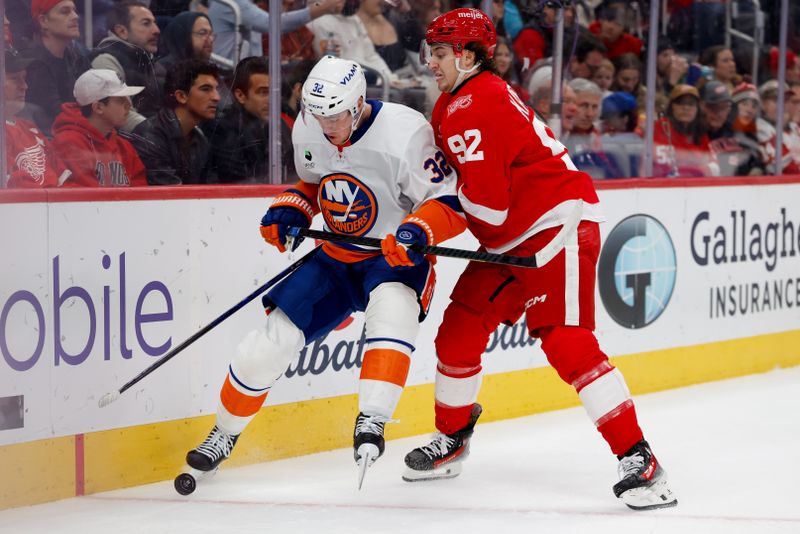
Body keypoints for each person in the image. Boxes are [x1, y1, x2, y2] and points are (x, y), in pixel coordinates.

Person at [400, 8, 677, 511]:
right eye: (432, 52)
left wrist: (429, 222)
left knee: (566, 341)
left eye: (440, 53)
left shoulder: (472, 105)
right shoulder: (452, 103)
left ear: (465, 56)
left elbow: (485, 205)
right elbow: (469, 196)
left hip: (555, 228)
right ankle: (453, 440)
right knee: (458, 334)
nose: (431, 62)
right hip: (508, 241)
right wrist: (424, 215)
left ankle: (641, 459)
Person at [184, 56, 465, 480]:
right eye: (318, 115)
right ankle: (224, 433)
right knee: (269, 345)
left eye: (335, 116)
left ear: (358, 104)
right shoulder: (309, 125)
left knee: (393, 318)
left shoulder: (405, 132)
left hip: (392, 258)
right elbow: (316, 184)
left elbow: (448, 200)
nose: (326, 126)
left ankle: (372, 417)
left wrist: (417, 230)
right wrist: (293, 208)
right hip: (336, 256)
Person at [128, 59, 219, 184]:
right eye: (206, 89)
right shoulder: (149, 136)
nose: (216, 97)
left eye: (216, 89)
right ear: (181, 96)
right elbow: (169, 195)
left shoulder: (200, 139)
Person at [51, 69, 148, 187]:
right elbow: (86, 199)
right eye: (120, 100)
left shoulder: (124, 146)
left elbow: (140, 193)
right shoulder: (69, 143)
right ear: (98, 107)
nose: (129, 105)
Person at [205, 57, 295, 183]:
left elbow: (293, 173)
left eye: (274, 92)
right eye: (263, 92)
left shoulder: (281, 127)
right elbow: (237, 184)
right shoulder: (225, 130)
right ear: (240, 95)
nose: (271, 100)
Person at [90, 0, 165, 132]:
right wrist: (161, 135)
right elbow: (121, 114)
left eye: (155, 23)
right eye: (146, 23)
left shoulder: (155, 65)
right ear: (122, 31)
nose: (156, 30)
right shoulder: (105, 61)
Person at [4, 49, 71, 188]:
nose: (24, 86)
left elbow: (63, 183)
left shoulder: (30, 128)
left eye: (24, 78)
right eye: (15, 79)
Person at [22, 0, 90, 136]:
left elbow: (98, 95)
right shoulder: (34, 64)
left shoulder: (75, 56)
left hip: (80, 131)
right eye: (65, 12)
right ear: (43, 21)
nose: (75, 16)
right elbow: (56, 118)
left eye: (74, 10)